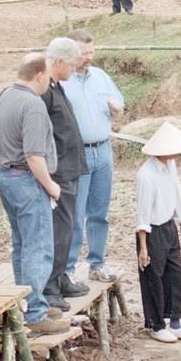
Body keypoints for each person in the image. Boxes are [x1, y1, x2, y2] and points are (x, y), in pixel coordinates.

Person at [0, 53, 70, 337]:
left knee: (21, 244)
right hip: (26, 178)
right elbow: (34, 155)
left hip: (5, 175)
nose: (50, 83)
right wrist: (51, 186)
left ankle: (25, 303)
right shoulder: (33, 105)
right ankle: (36, 312)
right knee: (38, 246)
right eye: (48, 77)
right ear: (39, 75)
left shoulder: (5, 96)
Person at [60, 29, 124, 285]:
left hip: (103, 149)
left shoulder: (101, 77)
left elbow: (118, 102)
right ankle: (68, 268)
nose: (88, 57)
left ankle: (97, 263)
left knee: (99, 211)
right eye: (83, 53)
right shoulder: (62, 82)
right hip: (78, 153)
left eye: (91, 52)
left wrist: (116, 108)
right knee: (75, 213)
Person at [136, 121, 181, 343]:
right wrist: (143, 247)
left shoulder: (170, 166)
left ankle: (175, 320)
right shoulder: (146, 176)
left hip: (169, 226)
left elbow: (177, 192)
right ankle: (156, 323)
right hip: (152, 231)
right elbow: (142, 214)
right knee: (154, 276)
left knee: (177, 273)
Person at [41, 38, 89, 311]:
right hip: (58, 171)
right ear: (58, 62)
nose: (73, 70)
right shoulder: (45, 90)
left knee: (67, 226)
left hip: (70, 167)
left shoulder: (56, 86)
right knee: (58, 229)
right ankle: (49, 286)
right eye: (71, 65)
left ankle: (59, 278)